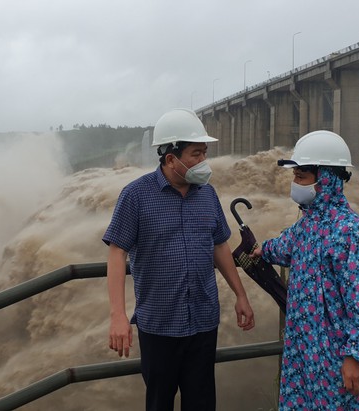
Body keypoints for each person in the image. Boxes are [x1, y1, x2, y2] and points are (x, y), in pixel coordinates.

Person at [103, 108, 255, 411]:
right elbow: (117, 252)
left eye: (204, 153)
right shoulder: (135, 196)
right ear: (171, 158)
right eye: (196, 154)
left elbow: (220, 246)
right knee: (159, 403)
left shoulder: (208, 194)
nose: (203, 161)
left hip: (203, 321)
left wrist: (241, 295)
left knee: (201, 402)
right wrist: (118, 316)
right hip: (159, 324)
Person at [252, 130, 359, 410]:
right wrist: (262, 249)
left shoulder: (349, 232)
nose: (295, 184)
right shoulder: (309, 222)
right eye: (295, 176)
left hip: (338, 357)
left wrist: (358, 357)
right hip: (306, 352)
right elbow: (285, 246)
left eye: (301, 177)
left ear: (326, 179)